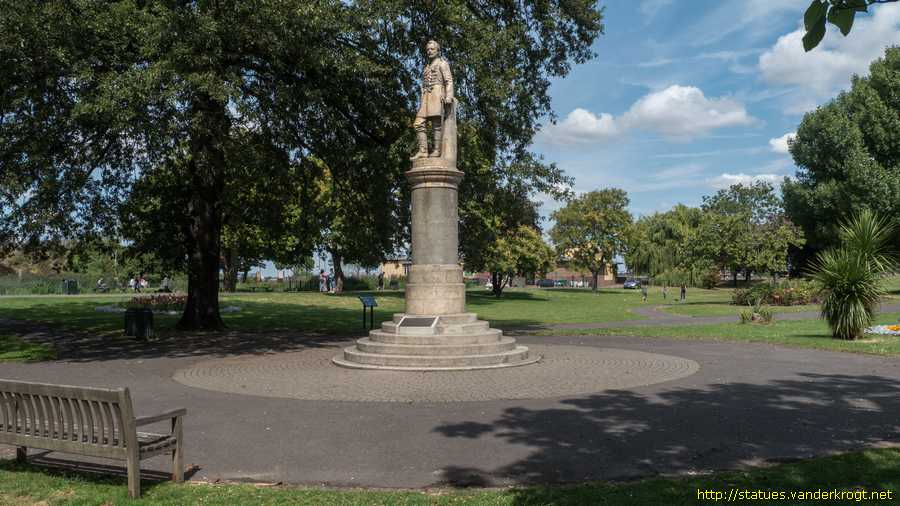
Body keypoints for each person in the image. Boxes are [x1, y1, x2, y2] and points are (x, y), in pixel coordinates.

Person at [410, 40, 454, 159]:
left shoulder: (442, 64)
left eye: (432, 49)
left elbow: (449, 81)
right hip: (426, 96)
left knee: (436, 125)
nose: (429, 51)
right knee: (418, 123)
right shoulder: (427, 67)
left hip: (437, 94)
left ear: (438, 51)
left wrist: (449, 96)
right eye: (428, 49)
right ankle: (423, 151)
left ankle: (437, 150)